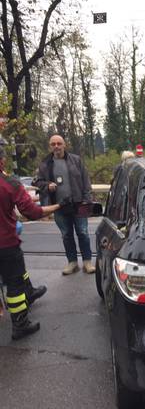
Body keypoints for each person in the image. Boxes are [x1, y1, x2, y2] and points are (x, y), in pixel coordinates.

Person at [1, 146, 62, 339]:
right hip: (6, 244)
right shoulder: (10, 184)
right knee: (14, 285)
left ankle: (29, 291)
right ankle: (20, 324)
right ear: (2, 160)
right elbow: (32, 212)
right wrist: (58, 206)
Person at [33, 135, 95, 275]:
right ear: (50, 146)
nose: (56, 146)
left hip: (78, 203)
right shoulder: (45, 164)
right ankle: (72, 262)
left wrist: (87, 199)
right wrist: (47, 185)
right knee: (66, 235)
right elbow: (37, 182)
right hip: (58, 206)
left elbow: (86, 180)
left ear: (64, 145)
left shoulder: (76, 160)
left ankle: (87, 262)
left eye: (59, 143)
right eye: (53, 144)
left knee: (83, 233)